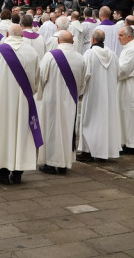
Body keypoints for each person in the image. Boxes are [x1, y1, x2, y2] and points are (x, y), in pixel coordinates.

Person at [0, 24, 41, 185]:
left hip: (2, 98)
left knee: (3, 132)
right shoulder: (31, 52)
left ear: (7, 34)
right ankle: (18, 170)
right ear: (22, 35)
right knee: (21, 131)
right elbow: (36, 77)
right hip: (24, 99)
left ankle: (3, 172)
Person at [37, 31, 85, 174]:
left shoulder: (50, 56)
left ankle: (50, 163)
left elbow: (41, 77)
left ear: (58, 41)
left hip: (52, 99)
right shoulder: (80, 58)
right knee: (67, 130)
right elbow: (83, 81)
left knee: (51, 130)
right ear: (72, 42)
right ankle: (64, 163)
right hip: (70, 101)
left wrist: (40, 93)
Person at [76, 29, 122, 162]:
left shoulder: (89, 54)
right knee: (106, 122)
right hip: (108, 94)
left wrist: (80, 90)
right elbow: (118, 73)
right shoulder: (112, 54)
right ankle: (104, 151)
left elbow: (85, 74)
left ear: (92, 39)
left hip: (93, 94)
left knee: (89, 121)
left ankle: (88, 151)